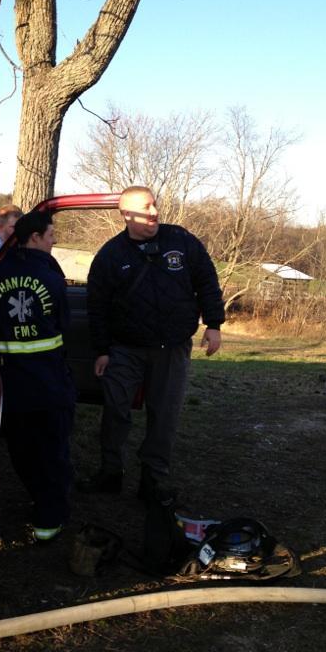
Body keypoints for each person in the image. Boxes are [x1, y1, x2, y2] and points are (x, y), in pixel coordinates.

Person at [80, 185, 225, 499]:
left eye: (155, 205)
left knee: (165, 415)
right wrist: (102, 350)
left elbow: (207, 281)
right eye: (146, 208)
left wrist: (214, 324)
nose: (154, 212)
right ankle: (110, 472)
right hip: (124, 349)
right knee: (116, 411)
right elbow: (97, 306)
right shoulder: (110, 255)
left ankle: (153, 481)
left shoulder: (181, 241)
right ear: (127, 215)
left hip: (172, 348)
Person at [0, 210, 75, 541]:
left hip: (9, 383)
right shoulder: (50, 277)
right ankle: (50, 518)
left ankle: (35, 498)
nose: (54, 240)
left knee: (21, 449)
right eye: (51, 235)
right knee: (52, 450)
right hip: (47, 382)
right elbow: (63, 324)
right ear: (34, 237)